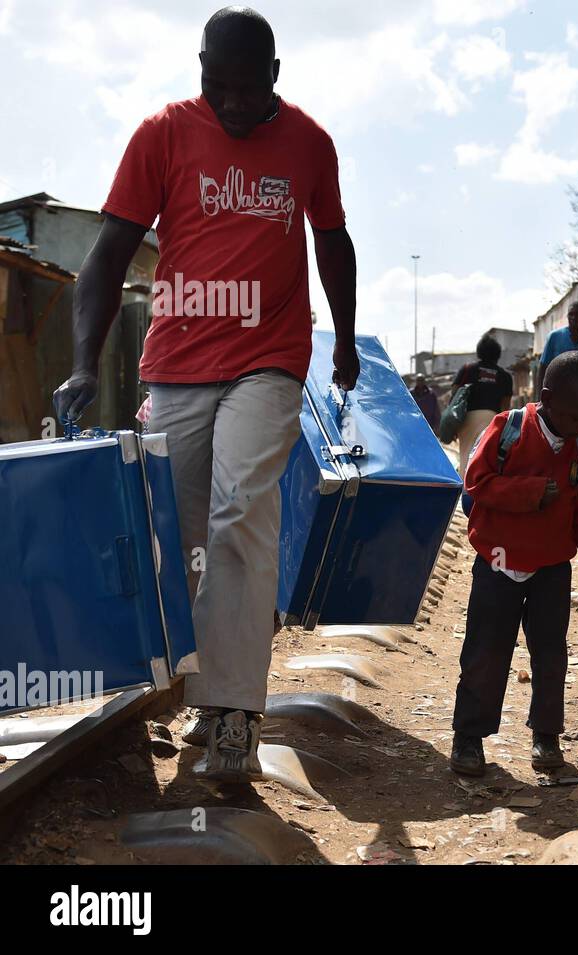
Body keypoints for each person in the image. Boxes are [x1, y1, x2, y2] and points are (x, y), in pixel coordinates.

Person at [51, 6, 359, 782]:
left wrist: (347, 340)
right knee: (180, 534)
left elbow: (331, 241)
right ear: (200, 71)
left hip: (270, 359)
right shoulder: (164, 134)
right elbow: (107, 253)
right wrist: (85, 363)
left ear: (275, 79)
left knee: (239, 513)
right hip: (178, 363)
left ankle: (233, 716)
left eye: (246, 90)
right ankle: (191, 681)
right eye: (214, 85)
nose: (229, 103)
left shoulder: (309, 144)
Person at [449, 351, 578, 777]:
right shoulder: (507, 430)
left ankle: (546, 734)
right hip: (497, 564)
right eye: (575, 415)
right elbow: (475, 482)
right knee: (486, 653)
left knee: (550, 654)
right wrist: (528, 492)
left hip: (550, 570)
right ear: (547, 398)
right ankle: (469, 736)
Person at [453, 334, 513, 475]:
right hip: (493, 419)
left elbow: (455, 393)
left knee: (465, 455)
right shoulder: (505, 376)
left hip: (467, 418)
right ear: (497, 355)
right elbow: (505, 406)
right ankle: (482, 489)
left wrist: (454, 423)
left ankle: (465, 490)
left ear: (479, 352)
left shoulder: (467, 369)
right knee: (486, 459)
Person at [538, 301, 578, 385]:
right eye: (571, 314)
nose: (573, 317)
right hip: (556, 389)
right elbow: (543, 366)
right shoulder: (554, 336)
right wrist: (540, 394)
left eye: (577, 314)